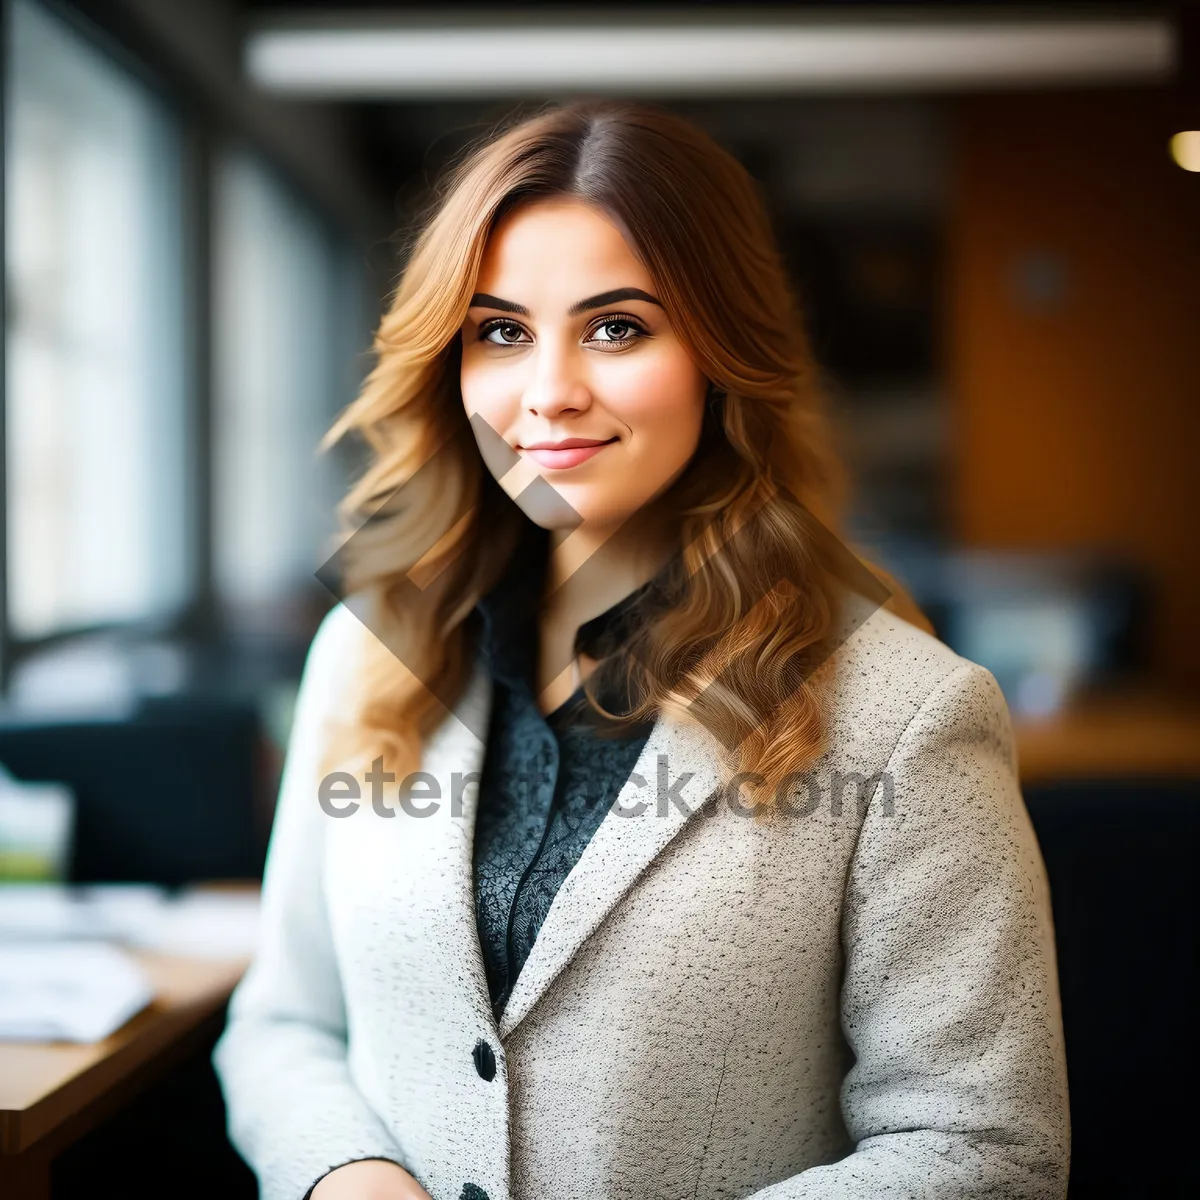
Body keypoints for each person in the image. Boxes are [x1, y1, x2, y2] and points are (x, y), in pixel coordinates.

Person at [212, 98, 1070, 1200]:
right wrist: (346, 1175)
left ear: (721, 352)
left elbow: (984, 1147)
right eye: (501, 331)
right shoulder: (366, 651)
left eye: (617, 327)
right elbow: (283, 1018)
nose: (549, 392)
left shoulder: (909, 713)